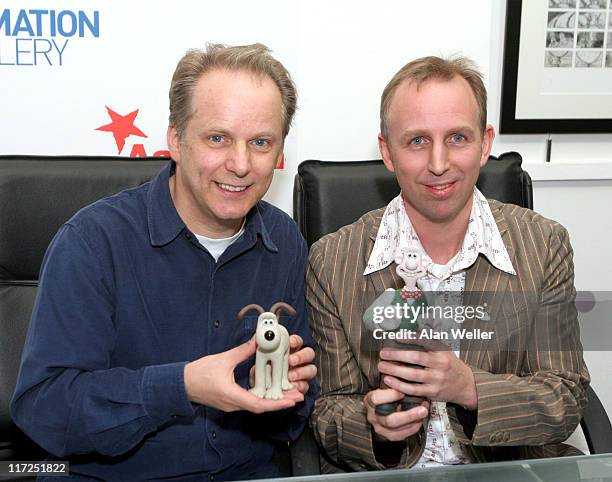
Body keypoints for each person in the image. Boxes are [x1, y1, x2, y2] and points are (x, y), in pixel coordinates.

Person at [11, 43, 317, 481]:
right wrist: (182, 385)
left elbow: (291, 418)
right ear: (175, 140)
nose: (241, 164)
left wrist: (292, 389)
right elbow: (44, 409)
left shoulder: (284, 241)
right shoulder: (93, 242)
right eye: (217, 138)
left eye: (261, 143)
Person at [306, 55, 589, 472]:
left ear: (485, 143)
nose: (439, 164)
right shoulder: (332, 261)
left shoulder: (544, 245)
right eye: (417, 141)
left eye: (457, 137)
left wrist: (470, 388)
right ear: (387, 151)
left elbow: (565, 397)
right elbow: (328, 409)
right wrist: (370, 425)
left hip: (509, 469)